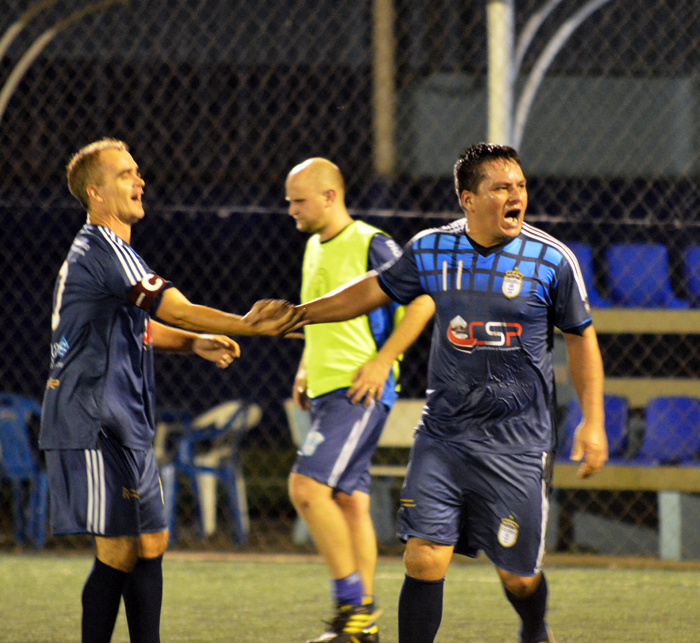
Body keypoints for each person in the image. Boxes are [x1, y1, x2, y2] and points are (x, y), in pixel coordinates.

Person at [254, 144, 608, 643]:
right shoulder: (431, 249)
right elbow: (373, 288)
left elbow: (581, 337)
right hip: (443, 435)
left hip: (517, 443)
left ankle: (534, 627)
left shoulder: (551, 260)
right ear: (467, 198)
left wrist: (592, 422)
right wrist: (301, 313)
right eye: (502, 188)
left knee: (518, 576)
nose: (517, 196)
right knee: (422, 558)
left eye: (521, 186)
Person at [39, 138, 302, 643]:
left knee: (152, 540)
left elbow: (147, 325)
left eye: (137, 171)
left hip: (126, 418)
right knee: (118, 548)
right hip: (90, 415)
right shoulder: (100, 247)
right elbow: (171, 306)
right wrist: (247, 324)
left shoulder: (117, 254)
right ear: (94, 192)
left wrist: (194, 342)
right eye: (124, 174)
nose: (139, 181)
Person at [285, 158, 435, 643]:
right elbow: (321, 318)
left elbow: (424, 299)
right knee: (349, 501)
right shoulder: (312, 247)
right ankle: (361, 629)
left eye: (299, 201)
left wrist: (382, 360)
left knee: (307, 489)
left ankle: (352, 607)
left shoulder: (372, 242)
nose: (291, 210)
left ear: (331, 197)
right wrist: (306, 367)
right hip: (328, 391)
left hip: (359, 389)